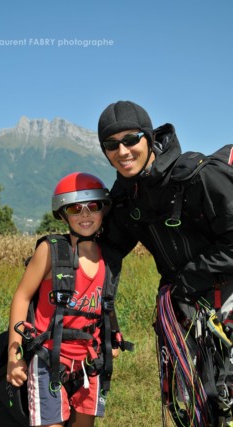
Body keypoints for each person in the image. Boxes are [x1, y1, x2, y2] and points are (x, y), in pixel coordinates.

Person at [97, 100, 233, 426]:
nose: (123, 151)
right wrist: (104, 313)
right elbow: (108, 251)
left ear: (148, 137)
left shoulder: (200, 177)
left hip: (222, 297)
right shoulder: (128, 197)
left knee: (223, 393)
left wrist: (188, 279)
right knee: (202, 402)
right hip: (185, 308)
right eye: (111, 144)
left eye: (131, 139)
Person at [7, 172, 123, 427]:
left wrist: (113, 334)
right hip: (49, 358)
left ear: (103, 210)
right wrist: (14, 354)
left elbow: (106, 301)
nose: (84, 214)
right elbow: (22, 296)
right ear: (62, 214)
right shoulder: (51, 251)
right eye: (74, 208)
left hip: (91, 362)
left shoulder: (109, 258)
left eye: (92, 206)